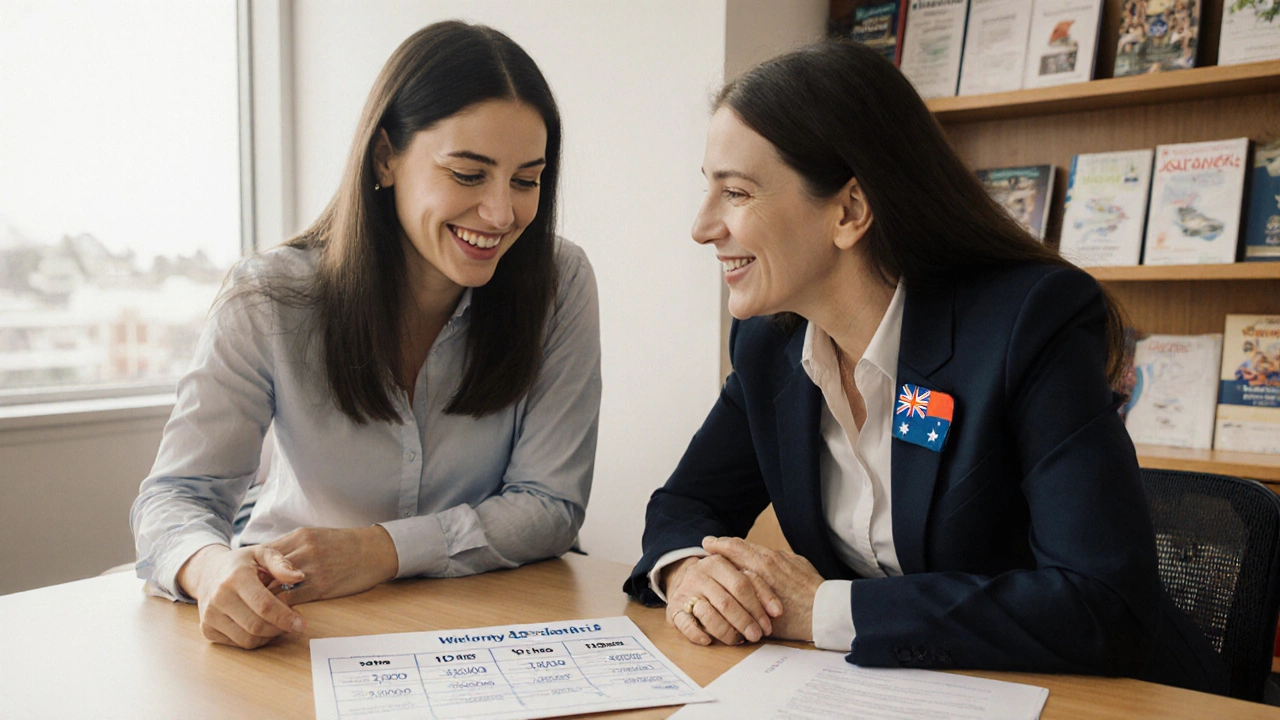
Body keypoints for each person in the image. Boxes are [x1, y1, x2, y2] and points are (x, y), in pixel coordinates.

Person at [624, 39, 1226, 693]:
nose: (702, 226)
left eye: (735, 192)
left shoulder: (1028, 325)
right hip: (904, 695)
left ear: (850, 211)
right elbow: (688, 503)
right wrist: (688, 572)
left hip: (1114, 701)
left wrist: (822, 608)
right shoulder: (771, 349)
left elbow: (1101, 606)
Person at [132, 21, 600, 650]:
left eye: (525, 180)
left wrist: (378, 550)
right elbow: (177, 496)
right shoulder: (268, 297)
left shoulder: (559, 282)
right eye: (468, 174)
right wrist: (211, 567)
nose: (501, 213)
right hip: (298, 617)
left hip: (482, 620)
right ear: (386, 158)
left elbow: (550, 506)